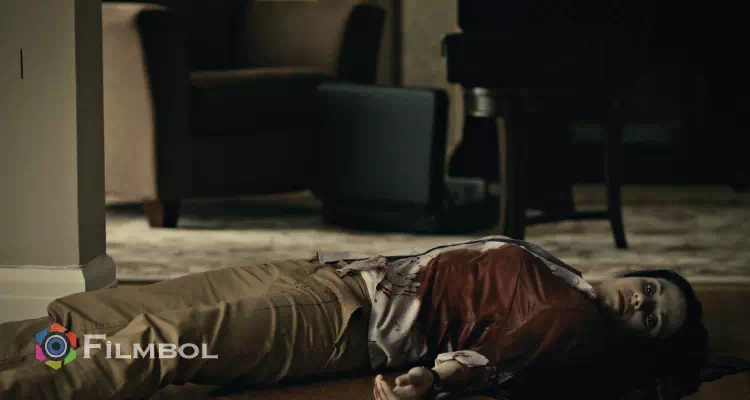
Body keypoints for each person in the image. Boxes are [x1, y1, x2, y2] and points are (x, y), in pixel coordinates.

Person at [0, 236, 707, 400]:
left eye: (654, 320)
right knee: (101, 314)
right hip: (325, 275)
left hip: (344, 319)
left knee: (162, 344)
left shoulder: (572, 321)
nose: (642, 303)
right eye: (653, 290)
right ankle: (21, 357)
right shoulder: (564, 275)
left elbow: (506, 357)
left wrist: (437, 378)